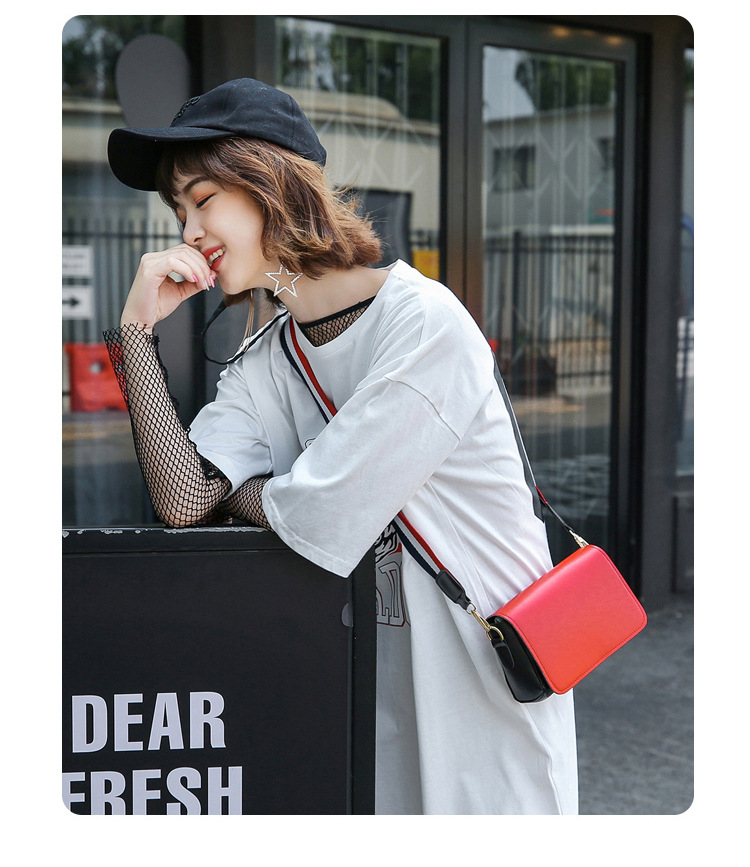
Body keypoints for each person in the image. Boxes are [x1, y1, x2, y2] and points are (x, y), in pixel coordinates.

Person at [105, 77, 578, 814]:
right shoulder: (268, 358)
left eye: (203, 199)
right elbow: (184, 497)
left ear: (272, 185)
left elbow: (320, 512)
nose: (188, 230)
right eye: (178, 211)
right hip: (376, 696)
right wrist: (135, 335)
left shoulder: (422, 323)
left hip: (486, 690)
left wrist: (250, 492)